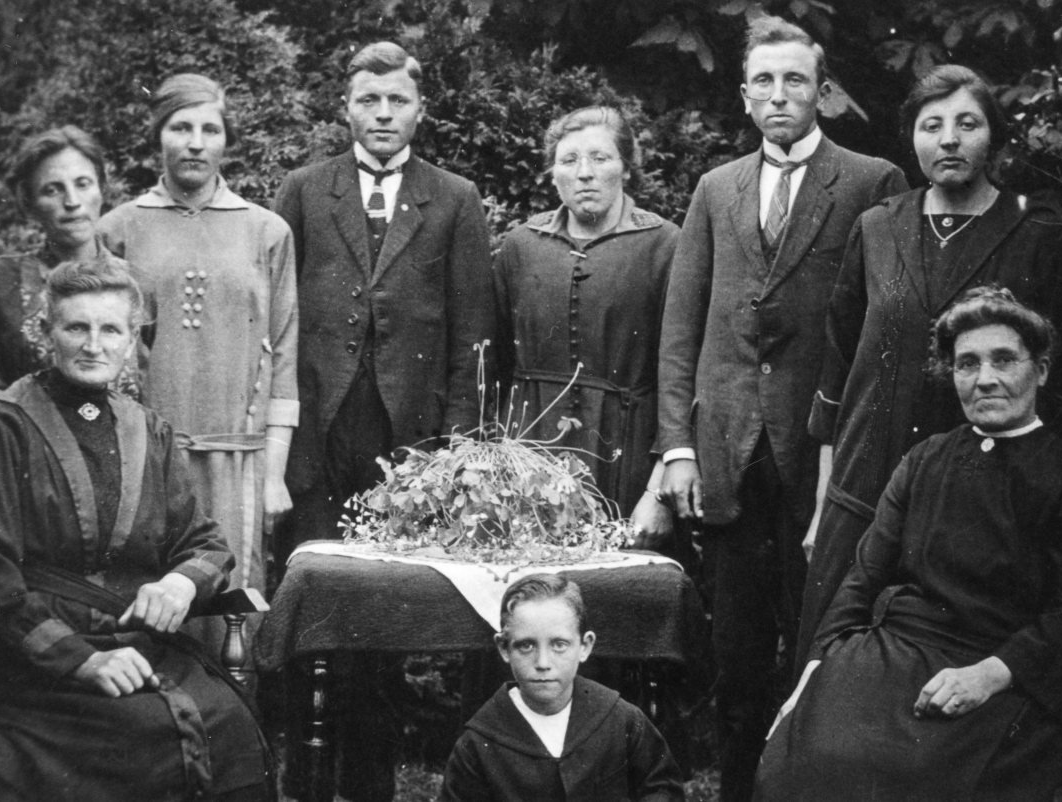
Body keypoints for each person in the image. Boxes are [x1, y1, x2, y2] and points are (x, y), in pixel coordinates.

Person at [654, 16, 907, 798]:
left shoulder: (870, 181)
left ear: (821, 91)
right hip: (730, 452)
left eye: (795, 79)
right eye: (763, 81)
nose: (779, 94)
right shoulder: (716, 188)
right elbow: (680, 327)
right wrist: (678, 447)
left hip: (823, 456)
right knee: (735, 653)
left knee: (817, 643)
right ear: (743, 95)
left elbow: (884, 333)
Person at [755, 287, 1062, 801]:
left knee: (914, 778)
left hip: (998, 667)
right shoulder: (924, 460)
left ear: (1041, 370)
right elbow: (862, 579)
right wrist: (813, 674)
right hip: (890, 652)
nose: (985, 378)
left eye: (1003, 360)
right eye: (967, 364)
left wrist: (989, 676)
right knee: (803, 760)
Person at [795, 65, 1062, 667]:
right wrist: (826, 502)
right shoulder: (878, 227)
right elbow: (838, 368)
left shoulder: (1038, 234)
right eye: (932, 125)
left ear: (993, 136)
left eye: (967, 124)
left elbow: (1061, 384)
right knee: (830, 667)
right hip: (864, 490)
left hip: (983, 506)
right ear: (912, 139)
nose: (949, 139)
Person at [0, 258, 271, 802]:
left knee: (230, 725)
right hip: (38, 660)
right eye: (76, 327)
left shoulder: (149, 429)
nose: (93, 345)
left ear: (131, 340)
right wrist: (83, 661)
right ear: (46, 333)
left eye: (111, 330)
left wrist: (181, 583)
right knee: (142, 733)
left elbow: (204, 542)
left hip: (140, 648)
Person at [271, 42, 495, 802]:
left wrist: (456, 449)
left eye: (397, 101)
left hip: (409, 444)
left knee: (384, 617)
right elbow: (278, 317)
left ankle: (370, 784)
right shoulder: (305, 191)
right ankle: (304, 779)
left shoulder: (454, 198)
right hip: (316, 433)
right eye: (369, 100)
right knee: (312, 601)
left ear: (419, 111)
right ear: (346, 108)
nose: (383, 114)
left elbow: (472, 334)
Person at [98, 74, 298, 646]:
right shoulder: (118, 228)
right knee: (145, 602)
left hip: (239, 460)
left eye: (210, 129)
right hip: (145, 456)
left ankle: (232, 703)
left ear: (226, 139)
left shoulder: (266, 231)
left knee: (233, 608)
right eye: (180, 127)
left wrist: (275, 475)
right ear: (157, 136)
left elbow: (284, 350)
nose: (195, 142)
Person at [493, 105, 679, 546]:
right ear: (552, 173)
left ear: (626, 168)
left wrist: (658, 490)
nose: (584, 173)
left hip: (628, 453)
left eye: (600, 158)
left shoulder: (665, 244)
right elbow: (491, 363)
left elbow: (681, 376)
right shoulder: (521, 245)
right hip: (529, 450)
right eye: (569, 160)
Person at [439, 574, 685, 802]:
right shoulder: (477, 745)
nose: (543, 663)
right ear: (504, 648)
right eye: (526, 646)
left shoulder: (621, 720)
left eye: (559, 645)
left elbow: (662, 788)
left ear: (584, 646)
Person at [0, 126, 139, 404]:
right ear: (29, 203)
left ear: (102, 189)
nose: (72, 202)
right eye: (52, 190)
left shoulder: (138, 283)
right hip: (22, 432)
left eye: (83, 184)